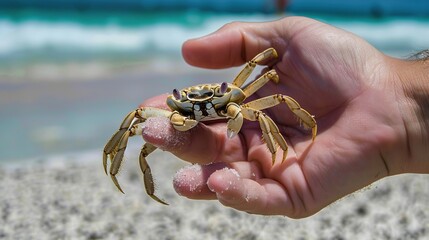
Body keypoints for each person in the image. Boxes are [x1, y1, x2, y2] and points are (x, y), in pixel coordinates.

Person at [139, 16, 429, 218]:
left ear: (227, 91)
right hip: (195, 116)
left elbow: (273, 94)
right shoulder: (179, 108)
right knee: (143, 124)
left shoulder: (238, 100)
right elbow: (147, 118)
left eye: (216, 96)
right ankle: (125, 173)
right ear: (179, 100)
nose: (203, 105)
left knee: (272, 105)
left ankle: (281, 145)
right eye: (192, 102)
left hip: (236, 109)